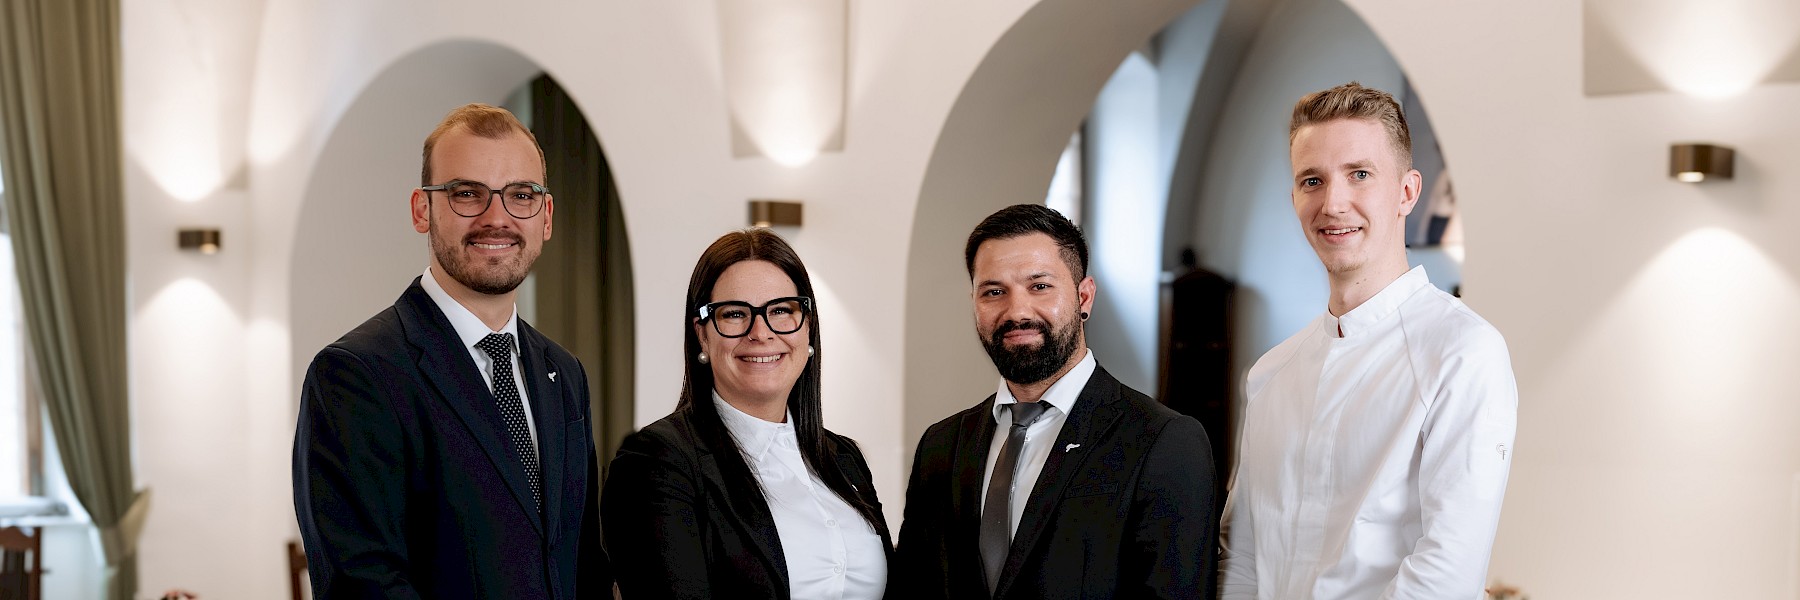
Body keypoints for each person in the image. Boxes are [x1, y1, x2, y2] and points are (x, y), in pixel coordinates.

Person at [293, 103, 608, 598]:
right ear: (422, 210)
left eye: (521, 195)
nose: (497, 218)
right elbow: (363, 584)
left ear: (545, 217)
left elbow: (583, 565)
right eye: (467, 194)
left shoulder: (564, 373)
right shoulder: (355, 376)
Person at [1217, 82, 1518, 599]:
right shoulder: (1269, 373)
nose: (1333, 203)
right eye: (1312, 180)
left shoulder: (1464, 352)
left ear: (1407, 192)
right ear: (1294, 198)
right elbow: (1241, 556)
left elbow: (1446, 572)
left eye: (1359, 174)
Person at [890, 204, 1218, 599]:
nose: (1017, 311)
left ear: (1084, 296)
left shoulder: (1164, 441)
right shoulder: (941, 445)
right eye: (994, 292)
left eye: (1040, 286)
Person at [602, 228, 891, 599]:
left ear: (808, 328)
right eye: (735, 314)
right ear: (702, 335)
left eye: (781, 310)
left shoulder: (844, 458)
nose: (760, 332)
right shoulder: (657, 461)